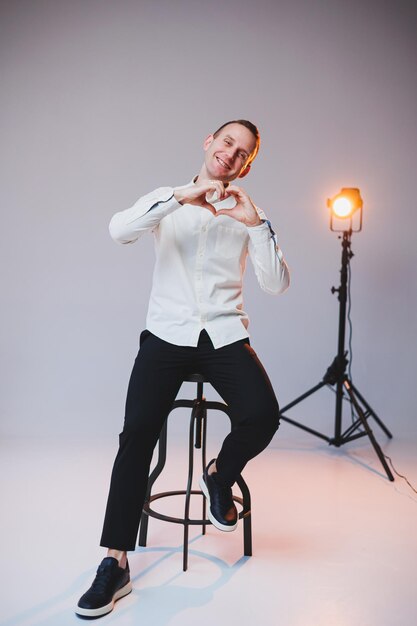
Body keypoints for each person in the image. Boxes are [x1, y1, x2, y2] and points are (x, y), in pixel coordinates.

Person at [76, 120, 290, 617]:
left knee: (262, 415)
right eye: (227, 143)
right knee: (137, 435)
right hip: (166, 336)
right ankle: (116, 562)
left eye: (242, 153)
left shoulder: (250, 213)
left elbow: (277, 283)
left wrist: (254, 224)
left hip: (223, 336)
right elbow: (118, 230)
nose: (231, 155)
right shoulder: (167, 198)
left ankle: (220, 473)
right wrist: (181, 197)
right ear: (209, 143)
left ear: (247, 165)